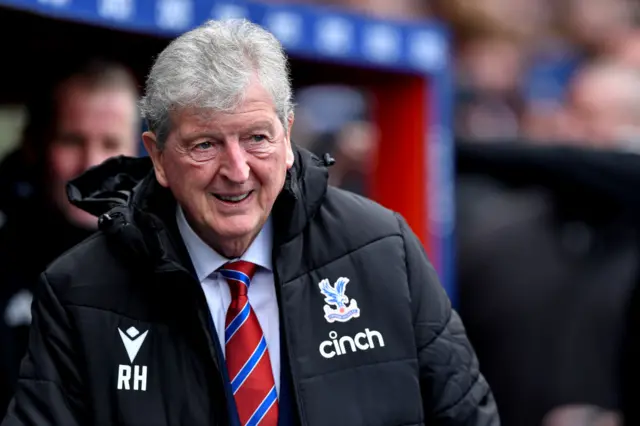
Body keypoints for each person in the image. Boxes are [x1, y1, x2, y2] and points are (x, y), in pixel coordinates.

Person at [1, 20, 499, 426]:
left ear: (286, 136)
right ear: (156, 156)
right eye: (205, 145)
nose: (237, 171)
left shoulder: (383, 249)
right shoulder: (79, 291)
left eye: (257, 138)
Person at [0, 59, 140, 416]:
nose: (91, 163)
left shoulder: (168, 257)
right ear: (34, 145)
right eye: (71, 141)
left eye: (110, 144)